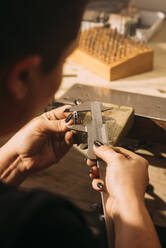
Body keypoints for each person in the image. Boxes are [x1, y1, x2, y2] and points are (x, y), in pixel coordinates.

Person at [0, 0, 161, 247]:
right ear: (23, 77)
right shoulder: (40, 223)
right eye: (64, 61)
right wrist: (130, 203)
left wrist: (13, 162)